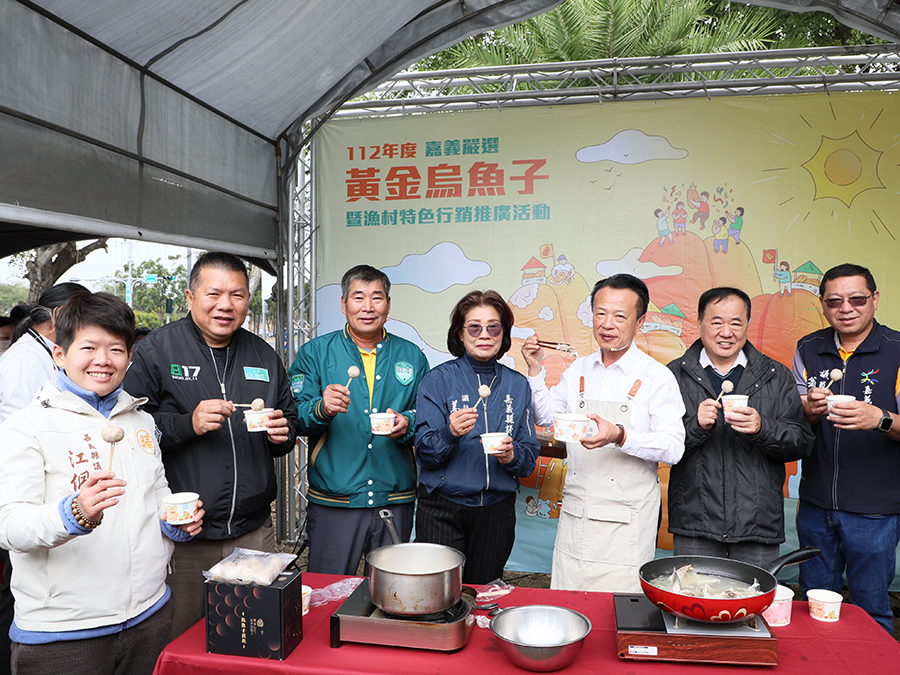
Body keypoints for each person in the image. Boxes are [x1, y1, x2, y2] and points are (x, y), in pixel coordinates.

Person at [0, 291, 204, 675]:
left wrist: (173, 522)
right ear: (60, 354)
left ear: (130, 356)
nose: (103, 360)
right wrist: (73, 513)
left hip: (150, 614)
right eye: (89, 347)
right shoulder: (26, 427)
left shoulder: (141, 420)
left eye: (116, 349)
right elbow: (8, 525)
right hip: (64, 633)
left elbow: (156, 492)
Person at [123, 252, 297, 638]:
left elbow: (289, 421)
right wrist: (188, 424)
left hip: (253, 531)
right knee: (182, 637)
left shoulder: (263, 355)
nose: (225, 305)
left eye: (237, 295)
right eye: (214, 293)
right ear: (190, 297)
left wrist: (282, 434)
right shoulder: (157, 351)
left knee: (255, 634)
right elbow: (129, 431)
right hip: (185, 533)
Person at [522, 274, 685, 592]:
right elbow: (546, 417)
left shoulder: (657, 377)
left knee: (620, 609)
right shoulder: (578, 370)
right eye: (600, 313)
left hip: (627, 521)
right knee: (569, 604)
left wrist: (621, 435)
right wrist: (535, 370)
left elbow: (673, 447)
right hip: (577, 513)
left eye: (620, 316)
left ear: (640, 322)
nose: (607, 324)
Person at [289, 265, 428, 575]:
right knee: (329, 590)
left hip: (395, 497)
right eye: (358, 298)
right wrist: (322, 408)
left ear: (388, 304)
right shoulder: (315, 353)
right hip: (335, 499)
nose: (368, 307)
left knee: (394, 590)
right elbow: (294, 417)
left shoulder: (411, 356)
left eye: (377, 298)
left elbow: (429, 416)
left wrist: (408, 422)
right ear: (344, 304)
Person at [666, 287, 814, 567]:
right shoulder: (673, 375)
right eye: (716, 322)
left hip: (757, 524)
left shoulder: (775, 375)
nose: (726, 332)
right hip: (695, 523)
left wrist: (762, 428)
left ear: (747, 324)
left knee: (753, 595)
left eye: (736, 323)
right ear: (699, 322)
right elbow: (659, 447)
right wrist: (695, 426)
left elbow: (802, 443)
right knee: (693, 594)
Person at [792, 263, 900, 634]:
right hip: (815, 503)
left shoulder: (896, 350)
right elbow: (797, 417)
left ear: (875, 299)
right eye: (834, 301)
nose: (846, 309)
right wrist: (810, 408)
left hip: (875, 509)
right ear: (823, 305)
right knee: (812, 603)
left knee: (870, 608)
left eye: (857, 299)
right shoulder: (809, 348)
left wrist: (880, 418)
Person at [414, 290, 540, 584]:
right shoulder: (438, 380)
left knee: (483, 592)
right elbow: (425, 454)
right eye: (474, 327)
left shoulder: (517, 384)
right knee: (438, 593)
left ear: (503, 333)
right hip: (442, 507)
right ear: (460, 334)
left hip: (496, 510)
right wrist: (449, 433)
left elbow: (528, 457)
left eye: (493, 327)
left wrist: (512, 455)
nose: (484, 334)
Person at [0, 283, 87, 424]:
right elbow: (20, 424)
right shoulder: (25, 361)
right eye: (87, 319)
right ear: (60, 314)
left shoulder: (43, 351)